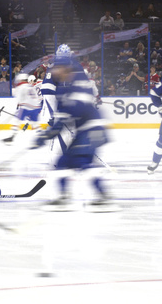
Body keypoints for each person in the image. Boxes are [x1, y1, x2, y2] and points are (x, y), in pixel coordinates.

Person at [31, 54, 112, 211]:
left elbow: (74, 110)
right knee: (63, 161)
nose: (54, 71)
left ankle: (103, 196)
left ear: (66, 69)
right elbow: (60, 117)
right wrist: (45, 135)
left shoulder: (80, 84)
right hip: (84, 131)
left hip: (94, 129)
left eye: (57, 68)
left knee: (80, 161)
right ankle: (63, 197)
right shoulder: (62, 89)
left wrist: (50, 132)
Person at [3, 74, 42, 143]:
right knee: (35, 123)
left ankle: (12, 136)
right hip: (36, 107)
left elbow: (19, 99)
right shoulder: (31, 86)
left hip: (26, 107)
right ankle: (41, 136)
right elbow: (36, 97)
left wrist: (19, 106)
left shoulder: (21, 87)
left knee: (16, 121)